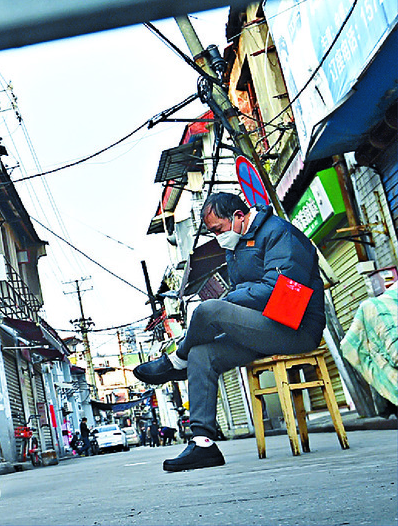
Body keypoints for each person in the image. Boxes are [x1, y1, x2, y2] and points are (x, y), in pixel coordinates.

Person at [134, 192, 325, 472]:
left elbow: (278, 290)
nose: (217, 237)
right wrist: (234, 298)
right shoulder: (236, 245)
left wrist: (229, 300)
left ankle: (176, 361)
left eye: (218, 230)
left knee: (209, 310)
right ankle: (203, 444)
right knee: (202, 353)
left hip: (295, 327)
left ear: (238, 216)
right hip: (263, 328)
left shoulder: (279, 233)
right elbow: (244, 291)